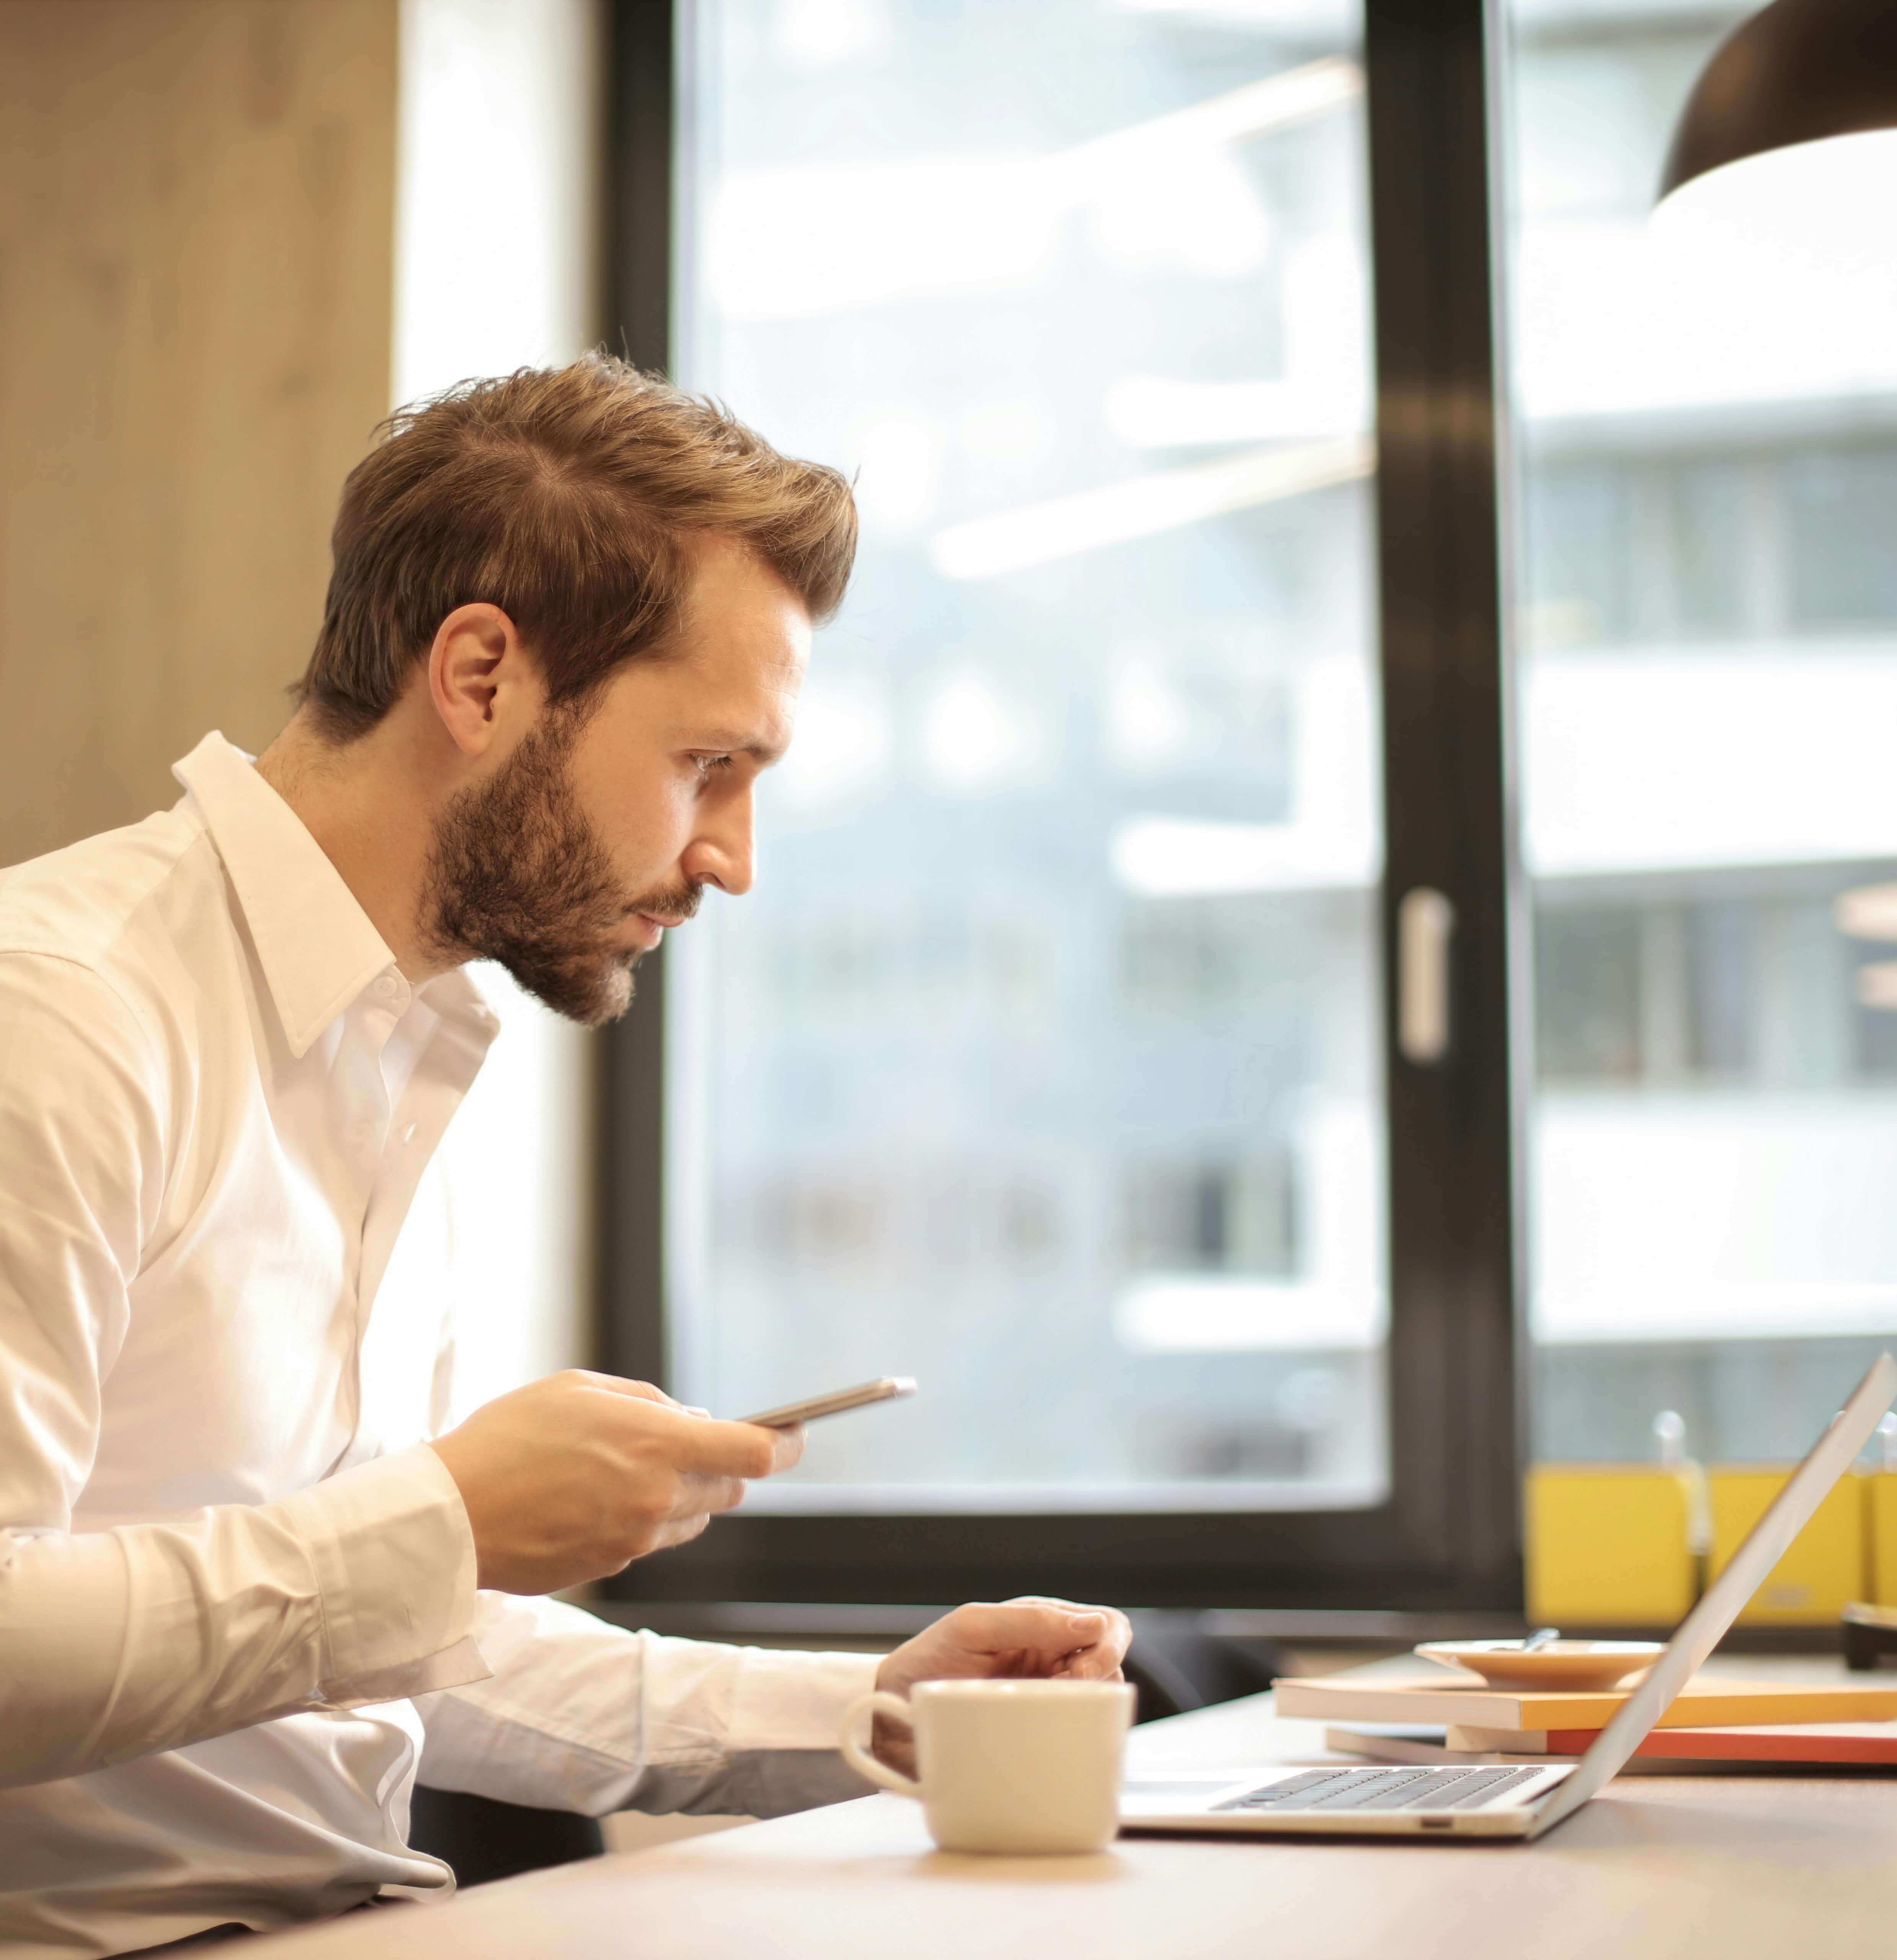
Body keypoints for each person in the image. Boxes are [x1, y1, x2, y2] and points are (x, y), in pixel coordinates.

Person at [0, 357, 1132, 1957]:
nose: (730, 859)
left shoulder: (396, 1050)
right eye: (705, 766)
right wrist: (445, 1517)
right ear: (479, 676)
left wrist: (868, 1711)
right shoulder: (58, 1015)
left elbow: (366, 1636)